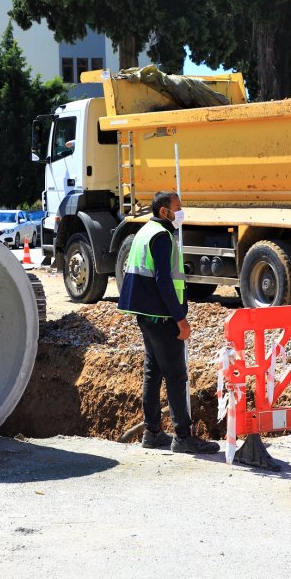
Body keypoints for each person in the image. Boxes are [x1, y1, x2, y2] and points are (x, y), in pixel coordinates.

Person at [118, 191, 220, 454]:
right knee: (176, 375)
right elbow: (163, 281)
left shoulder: (145, 231)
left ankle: (152, 433)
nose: (181, 212)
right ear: (164, 211)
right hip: (161, 316)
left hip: (146, 313)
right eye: (178, 207)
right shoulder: (162, 236)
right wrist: (180, 319)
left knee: (153, 373)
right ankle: (183, 437)